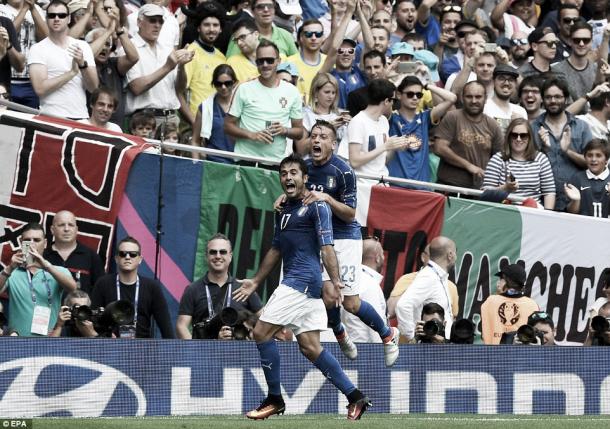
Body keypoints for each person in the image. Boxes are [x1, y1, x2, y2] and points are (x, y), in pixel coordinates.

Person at [233, 154, 371, 421]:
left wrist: (334, 279)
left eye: (294, 172)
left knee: (261, 332)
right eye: (284, 173)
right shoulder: (283, 209)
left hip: (302, 281)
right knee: (310, 347)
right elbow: (276, 248)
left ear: (305, 178)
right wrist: (257, 280)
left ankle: (274, 399)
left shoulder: (317, 207)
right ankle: (356, 397)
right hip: (303, 285)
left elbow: (327, 246)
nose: (288, 177)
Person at [302, 120, 399, 365]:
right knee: (327, 294)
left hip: (345, 237)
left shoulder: (343, 171)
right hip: (319, 237)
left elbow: (350, 213)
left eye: (323, 137)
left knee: (351, 303)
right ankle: (339, 331)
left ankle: (387, 335)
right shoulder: (303, 168)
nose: (317, 140)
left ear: (333, 144)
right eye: (314, 135)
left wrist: (327, 198)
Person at [224, 40, 303, 164]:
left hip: (276, 163)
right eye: (260, 61)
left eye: (270, 60)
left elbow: (299, 132)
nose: (265, 64)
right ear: (256, 63)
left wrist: (284, 130)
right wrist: (252, 135)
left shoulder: (292, 92)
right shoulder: (244, 88)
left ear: (278, 61)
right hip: (246, 160)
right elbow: (228, 126)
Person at [176, 233, 262, 340]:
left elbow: (265, 320)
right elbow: (181, 326)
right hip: (205, 354)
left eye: (222, 252)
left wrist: (252, 340)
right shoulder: (192, 289)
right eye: (213, 252)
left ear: (230, 256)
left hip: (239, 354)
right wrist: (195, 352)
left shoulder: (244, 288)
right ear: (206, 256)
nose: (218, 256)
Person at [125, 4, 195, 129]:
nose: (157, 25)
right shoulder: (130, 48)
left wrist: (181, 67)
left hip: (171, 118)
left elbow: (179, 89)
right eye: (152, 20)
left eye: (160, 21)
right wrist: (168, 67)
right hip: (143, 121)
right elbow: (136, 87)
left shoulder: (167, 49)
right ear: (139, 22)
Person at [0, 223, 77, 336]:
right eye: (27, 240)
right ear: (21, 242)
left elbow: (73, 288)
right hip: (18, 343)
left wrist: (47, 267)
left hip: (48, 342)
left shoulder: (57, 271)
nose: (32, 244)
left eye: (36, 240)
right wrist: (10, 268)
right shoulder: (12, 272)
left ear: (45, 243)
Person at [91, 236, 174, 338]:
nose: (127, 257)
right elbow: (93, 320)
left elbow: (166, 327)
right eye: (122, 254)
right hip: (110, 346)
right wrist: (105, 336)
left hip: (143, 348)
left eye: (133, 254)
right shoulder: (103, 284)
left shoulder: (152, 287)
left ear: (140, 259)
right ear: (116, 258)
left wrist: (172, 351)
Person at [28, 0, 98, 119]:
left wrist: (82, 65)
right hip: (50, 116)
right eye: (52, 15)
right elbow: (39, 88)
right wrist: (71, 73)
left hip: (80, 116)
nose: (56, 18)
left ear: (69, 19)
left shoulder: (83, 46)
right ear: (47, 19)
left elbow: (93, 88)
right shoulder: (37, 49)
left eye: (61, 15)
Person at [531, 78, 591, 211]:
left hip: (576, 199)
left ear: (566, 98)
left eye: (557, 97)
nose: (553, 101)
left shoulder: (581, 127)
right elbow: (525, 164)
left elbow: (591, 163)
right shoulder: (533, 127)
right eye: (548, 97)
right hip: (542, 200)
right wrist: (543, 150)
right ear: (542, 99)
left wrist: (567, 151)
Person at [433, 81, 503, 189]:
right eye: (469, 97)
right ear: (462, 98)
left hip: (479, 190)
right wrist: (468, 166)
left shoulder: (493, 125)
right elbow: (439, 148)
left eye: (478, 97)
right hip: (449, 187)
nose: (474, 101)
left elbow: (500, 159)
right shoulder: (452, 117)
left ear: (485, 98)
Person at [388, 75, 457, 184]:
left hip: (421, 185)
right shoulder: (391, 117)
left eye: (419, 94)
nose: (415, 98)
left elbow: (452, 98)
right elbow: (383, 97)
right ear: (399, 95)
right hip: (395, 184)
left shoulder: (425, 117)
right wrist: (398, 81)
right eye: (410, 94)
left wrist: (426, 85)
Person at [483, 118, 556, 209]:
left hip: (532, 212)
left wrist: (547, 216)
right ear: (508, 137)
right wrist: (505, 188)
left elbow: (549, 192)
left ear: (530, 138)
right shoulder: (497, 159)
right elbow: (484, 195)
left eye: (523, 136)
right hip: (503, 210)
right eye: (514, 135)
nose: (518, 139)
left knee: (530, 203)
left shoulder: (541, 159)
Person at [395, 236, 457, 341]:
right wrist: (412, 338)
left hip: (439, 345)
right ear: (450, 255)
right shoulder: (429, 276)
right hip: (428, 348)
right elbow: (402, 306)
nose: (456, 256)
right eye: (455, 252)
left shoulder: (438, 276)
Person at [179, 1, 227, 126]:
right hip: (194, 125)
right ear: (198, 27)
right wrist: (194, 123)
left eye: (215, 25)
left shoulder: (222, 57)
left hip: (215, 125)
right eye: (206, 25)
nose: (211, 29)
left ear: (221, 29)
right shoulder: (190, 53)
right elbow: (179, 94)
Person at [86, 24, 139, 129]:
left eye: (107, 44)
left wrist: (120, 32)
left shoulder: (114, 64)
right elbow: (85, 55)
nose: (104, 48)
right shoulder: (82, 66)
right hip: (89, 128)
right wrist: (108, 32)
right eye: (101, 43)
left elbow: (134, 57)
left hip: (115, 129)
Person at [387, 244, 459, 320]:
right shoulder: (407, 279)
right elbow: (390, 312)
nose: (437, 261)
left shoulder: (451, 287)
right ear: (423, 257)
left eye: (440, 257)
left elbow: (452, 319)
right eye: (433, 256)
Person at [43, 210, 105, 295]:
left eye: (71, 225)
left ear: (76, 230)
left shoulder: (91, 257)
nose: (66, 229)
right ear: (52, 230)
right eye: (61, 225)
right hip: (49, 307)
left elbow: (101, 292)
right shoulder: (43, 256)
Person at [340, 236, 387, 343]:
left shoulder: (351, 280)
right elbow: (376, 329)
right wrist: (382, 355)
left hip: (350, 348)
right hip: (367, 351)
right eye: (383, 254)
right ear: (378, 257)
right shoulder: (369, 284)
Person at [0, 0, 46, 109]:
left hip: (31, 77)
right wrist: (24, 9)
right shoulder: (1, 9)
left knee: (30, 121)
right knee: (9, 121)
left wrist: (33, 8)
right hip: (8, 77)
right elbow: (9, 34)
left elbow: (45, 38)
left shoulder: (37, 10)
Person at [480, 263, 539, 345]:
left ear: (505, 280)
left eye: (500, 278)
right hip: (522, 356)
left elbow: (484, 333)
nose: (498, 282)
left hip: (493, 355)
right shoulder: (532, 305)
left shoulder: (490, 301)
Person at [192, 64, 237, 163]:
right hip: (213, 162)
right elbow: (195, 140)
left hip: (239, 162)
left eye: (227, 83)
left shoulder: (243, 105)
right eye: (218, 84)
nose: (223, 87)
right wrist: (195, 164)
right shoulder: (205, 107)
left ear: (234, 83)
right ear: (213, 84)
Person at [298, 72, 349, 157]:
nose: (331, 96)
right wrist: (327, 128)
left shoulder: (340, 114)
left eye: (334, 92)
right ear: (316, 92)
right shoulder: (305, 114)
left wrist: (353, 125)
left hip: (335, 166)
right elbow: (301, 150)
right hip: (311, 166)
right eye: (327, 92)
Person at [224, 0, 297, 58]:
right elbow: (232, 64)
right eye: (260, 7)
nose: (266, 9)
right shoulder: (240, 35)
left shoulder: (286, 35)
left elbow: (296, 64)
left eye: (270, 6)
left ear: (275, 10)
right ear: (252, 12)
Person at [551, 21, 598, 104]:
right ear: (570, 41)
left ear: (591, 41)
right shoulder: (556, 70)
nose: (581, 44)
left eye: (586, 40)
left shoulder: (596, 69)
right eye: (577, 40)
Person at [565, 139, 610, 217]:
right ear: (585, 157)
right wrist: (576, 200)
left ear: (606, 160)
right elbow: (571, 212)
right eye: (589, 155)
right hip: (583, 227)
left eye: (598, 155)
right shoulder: (577, 179)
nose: (593, 159)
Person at [287, 19, 326, 102]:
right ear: (301, 37)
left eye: (318, 34)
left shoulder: (328, 62)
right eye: (308, 34)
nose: (313, 38)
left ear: (323, 37)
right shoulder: (289, 63)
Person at [483, 64, 527, 136]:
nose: (506, 83)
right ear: (493, 81)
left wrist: (519, 124)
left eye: (511, 80)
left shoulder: (521, 111)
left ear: (515, 84)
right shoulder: (484, 107)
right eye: (501, 79)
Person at [226, 18, 261, 83]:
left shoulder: (275, 56)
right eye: (236, 40)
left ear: (256, 34)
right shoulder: (232, 63)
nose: (239, 43)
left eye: (242, 37)